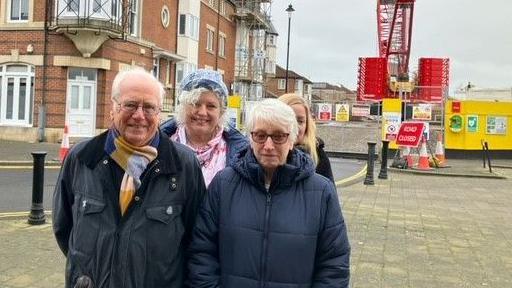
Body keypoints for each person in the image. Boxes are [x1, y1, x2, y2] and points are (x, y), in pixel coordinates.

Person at [52, 68, 206, 288]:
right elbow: (64, 228)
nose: (139, 115)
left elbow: (196, 240)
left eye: (149, 107)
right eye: (131, 105)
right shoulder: (82, 157)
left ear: (159, 113)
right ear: (112, 109)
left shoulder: (184, 164)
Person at [187, 99, 351, 287]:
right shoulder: (223, 185)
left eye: (279, 136)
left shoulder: (321, 192)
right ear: (250, 138)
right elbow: (202, 253)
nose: (268, 145)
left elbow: (334, 265)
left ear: (291, 140)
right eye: (260, 135)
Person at [160, 69, 248, 186]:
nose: (202, 112)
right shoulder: (160, 146)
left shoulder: (241, 154)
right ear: (183, 108)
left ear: (221, 112)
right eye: (195, 103)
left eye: (211, 106)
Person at [279, 93, 334, 182]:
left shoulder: (318, 156)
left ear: (307, 125)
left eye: (300, 121)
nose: (295, 126)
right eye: (288, 120)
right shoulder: (261, 154)